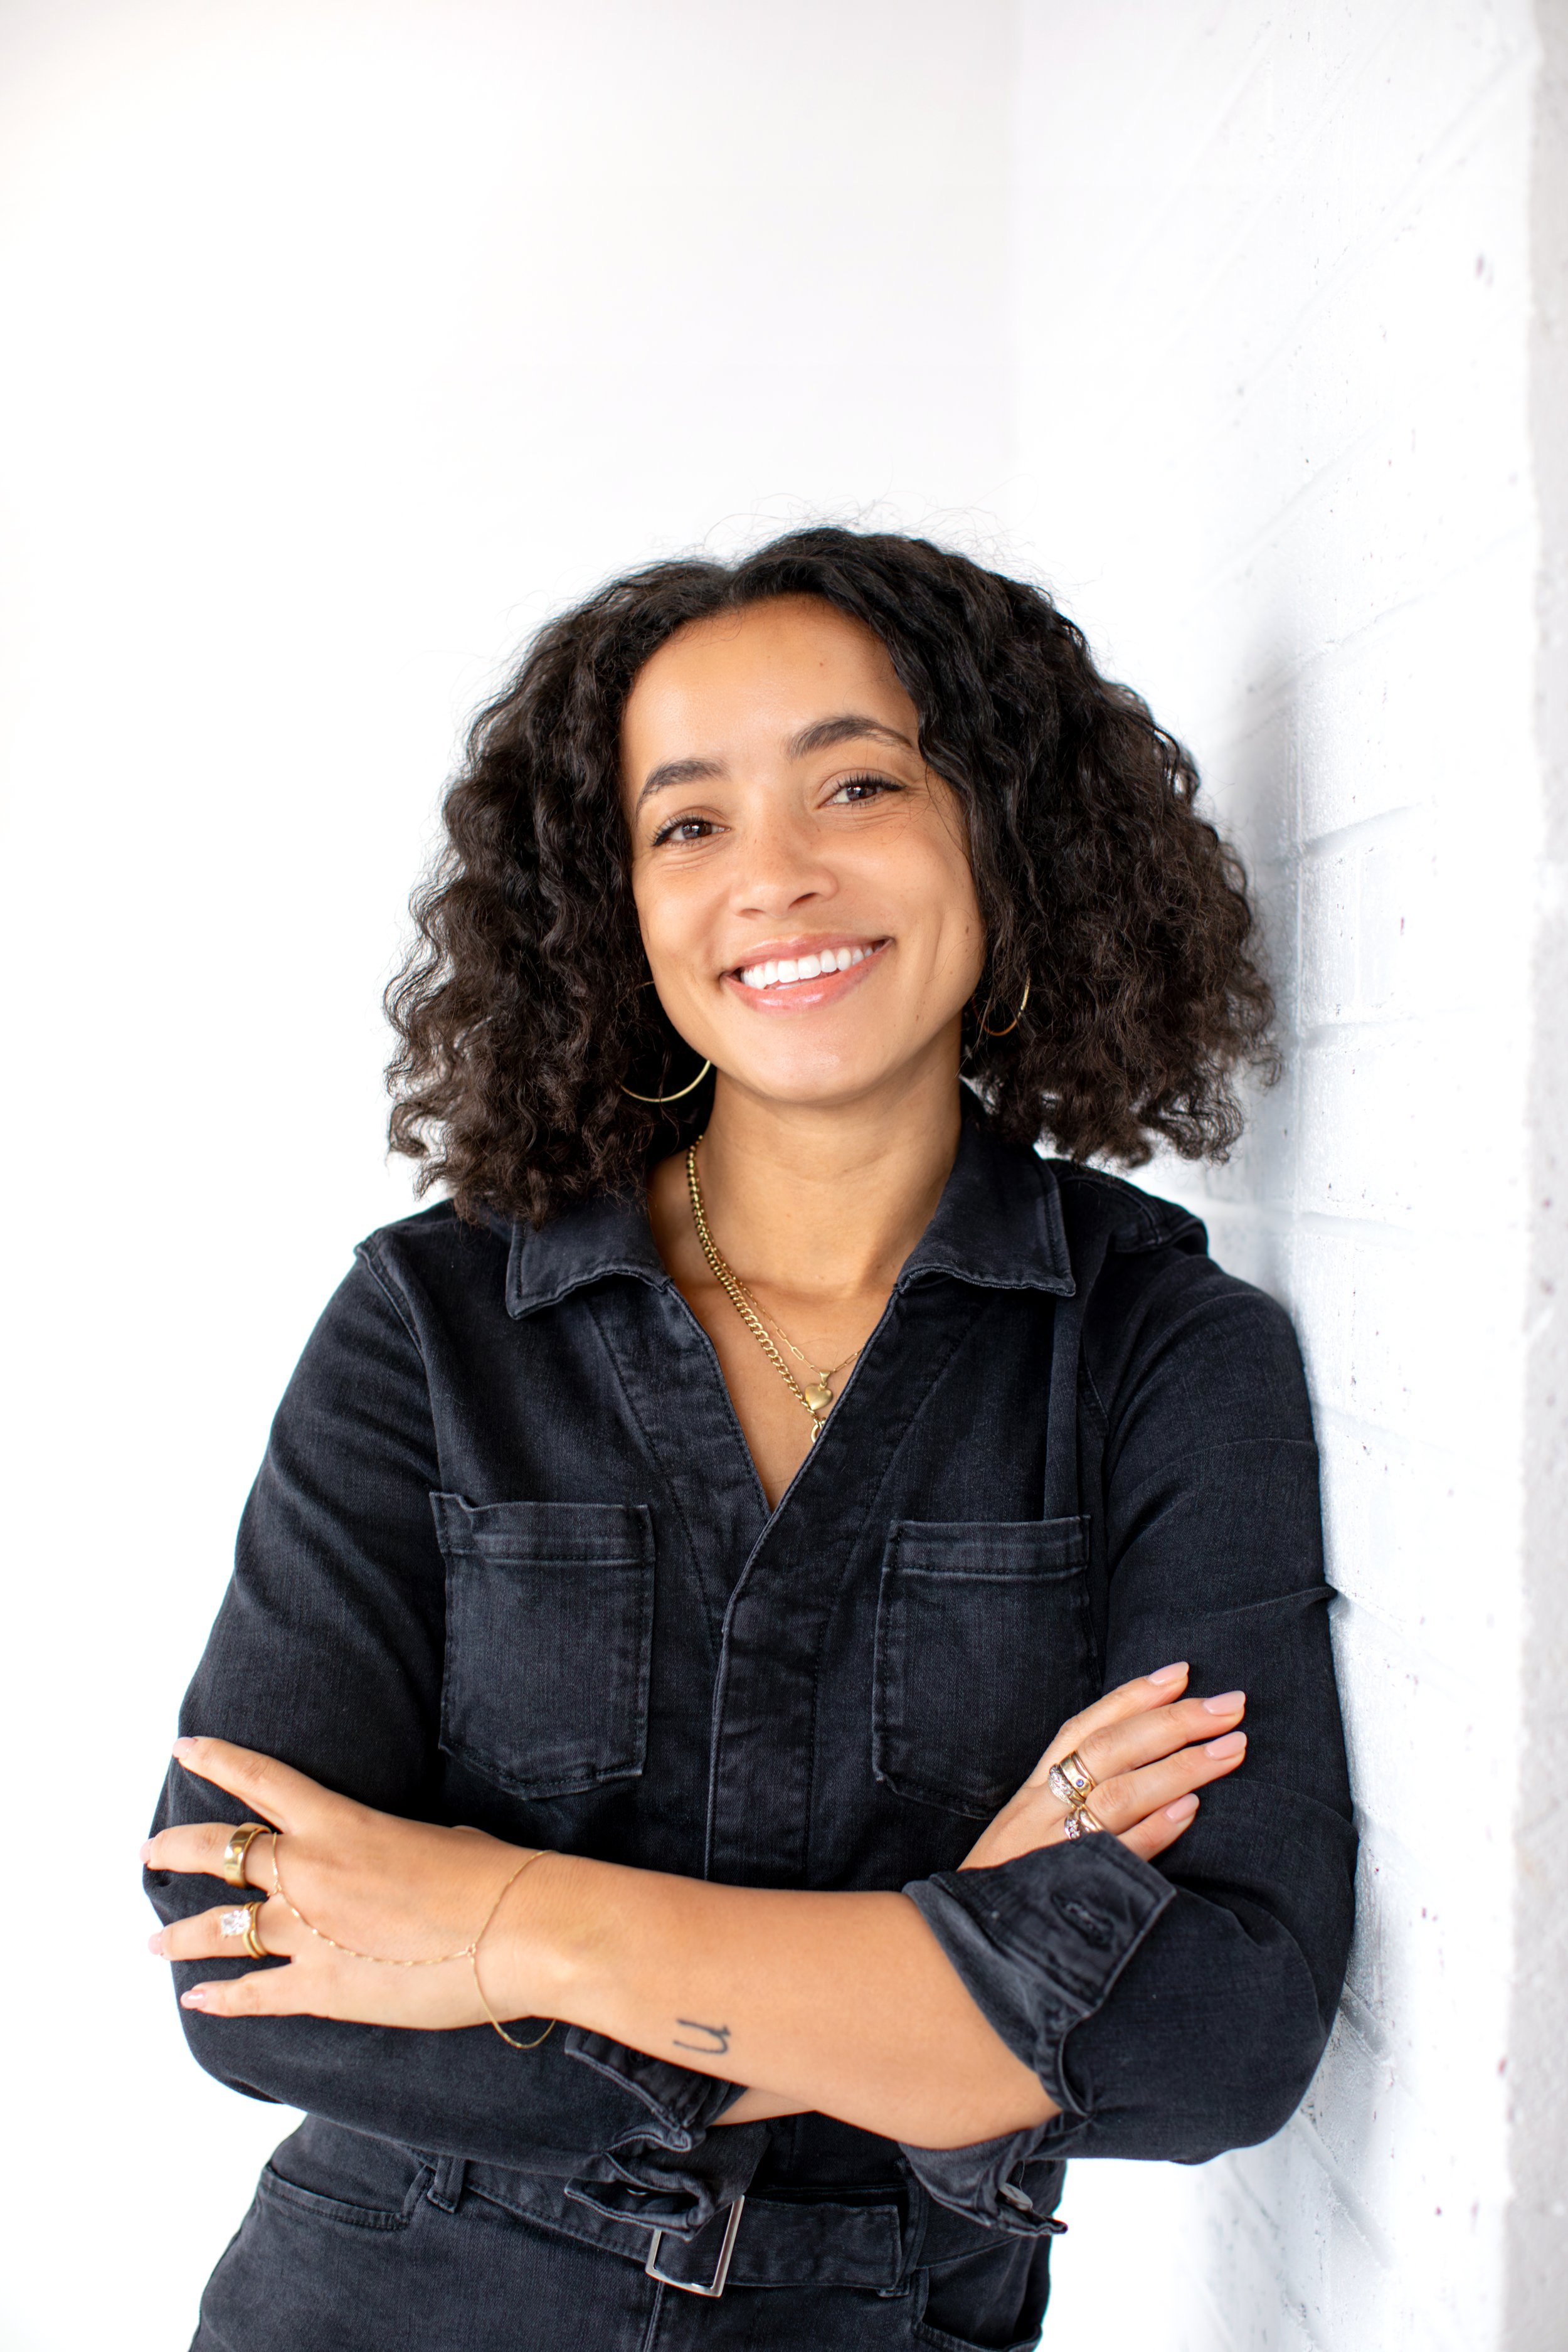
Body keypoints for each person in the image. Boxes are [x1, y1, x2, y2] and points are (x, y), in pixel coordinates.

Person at [143, 528, 1355, 2352]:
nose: (772, 880)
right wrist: (962, 1970)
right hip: (385, 2298)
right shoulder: (435, 1326)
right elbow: (249, 1969)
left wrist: (510, 1921)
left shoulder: (1165, 1354)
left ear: (1004, 840)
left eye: (856, 785)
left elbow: (1217, 2035)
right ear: (610, 908)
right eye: (686, 825)